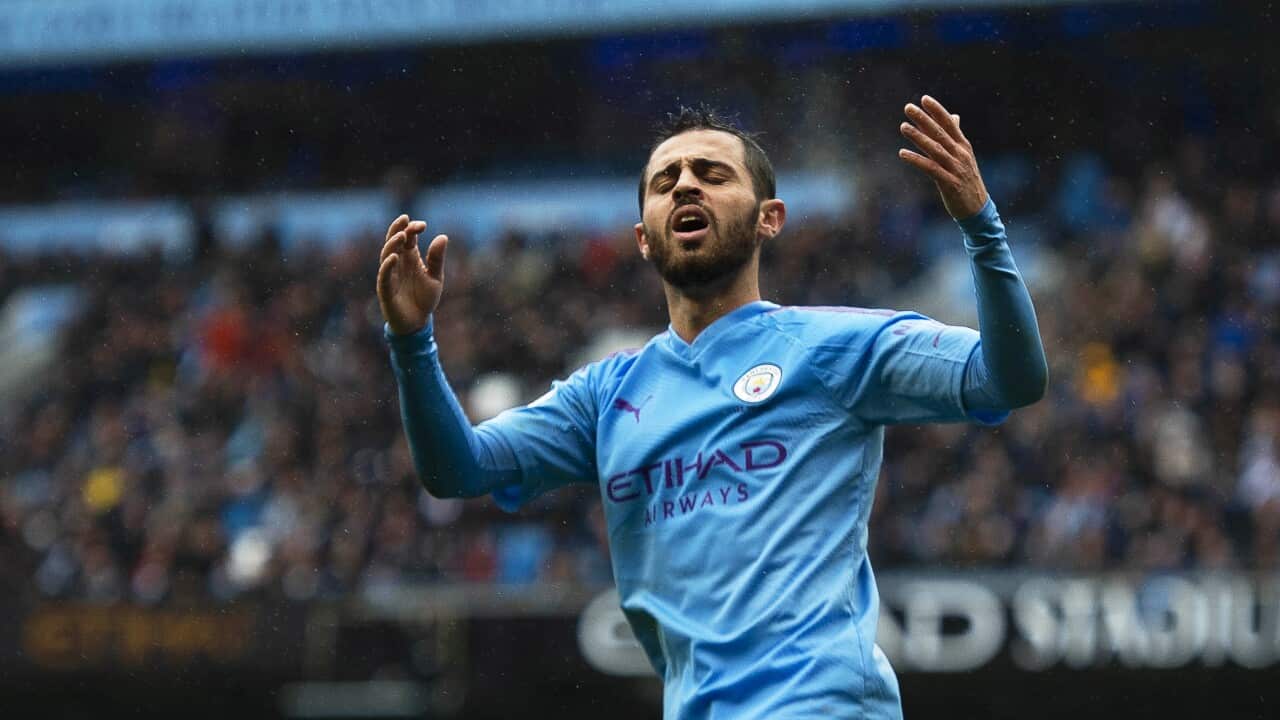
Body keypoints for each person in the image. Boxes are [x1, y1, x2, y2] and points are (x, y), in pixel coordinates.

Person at [377, 96, 1047, 719]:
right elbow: (457, 470)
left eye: (711, 173)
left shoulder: (833, 348)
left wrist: (979, 224)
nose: (686, 186)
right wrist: (412, 343)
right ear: (643, 237)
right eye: (665, 181)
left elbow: (1008, 378)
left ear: (769, 219)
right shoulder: (607, 396)